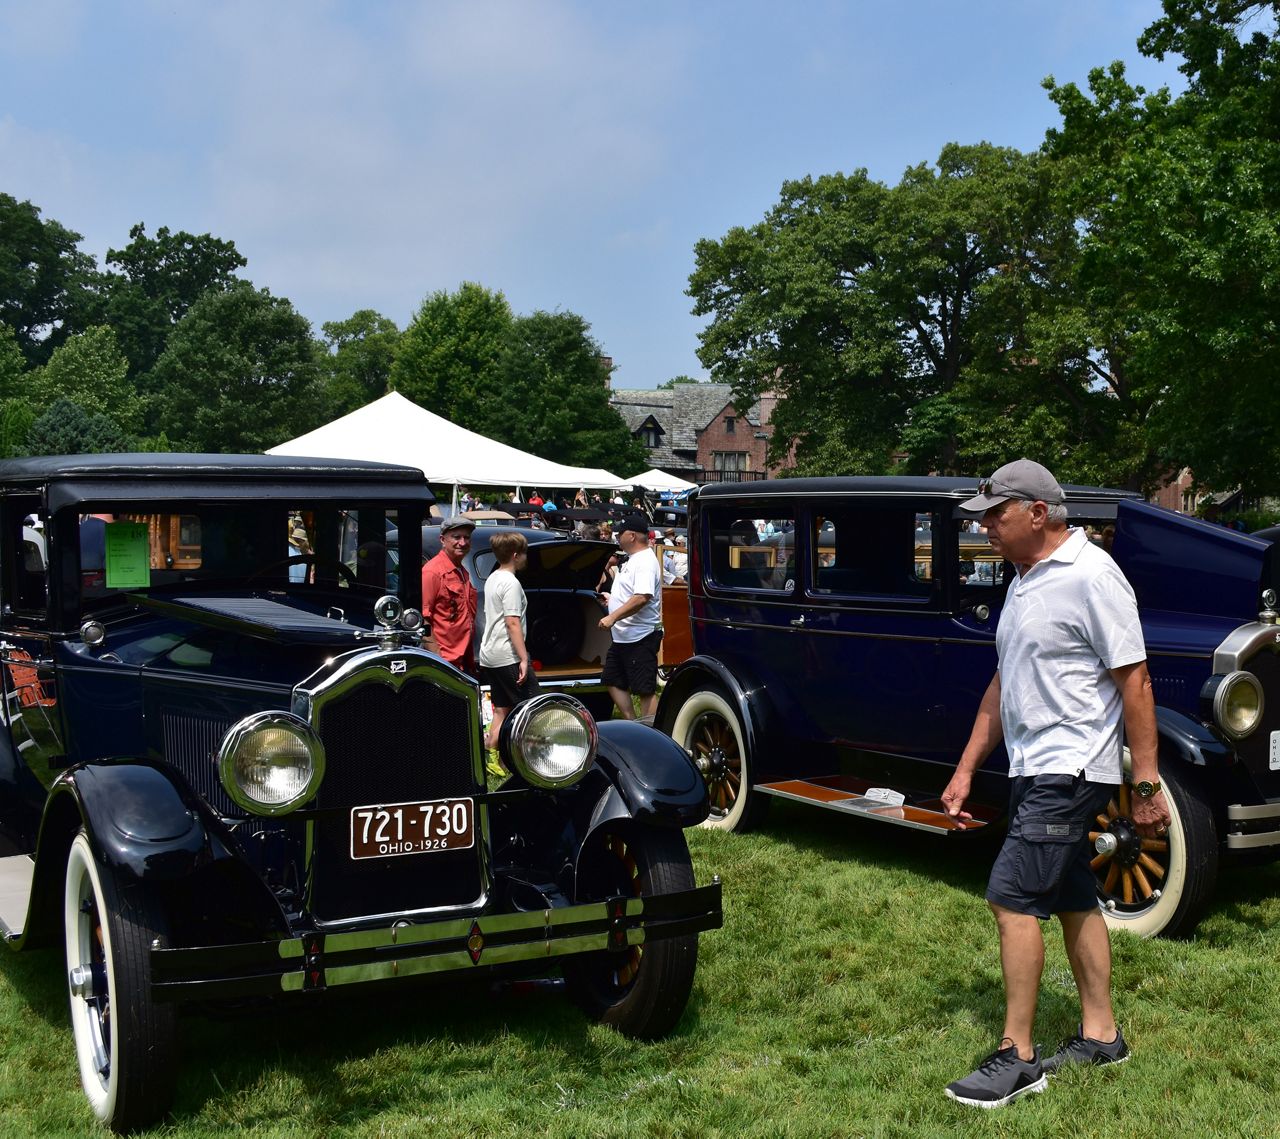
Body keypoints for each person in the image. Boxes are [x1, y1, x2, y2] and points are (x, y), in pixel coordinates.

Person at [940, 459, 1171, 1109]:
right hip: (1031, 766)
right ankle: (1101, 1036)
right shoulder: (1021, 579)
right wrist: (965, 768)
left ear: (1038, 512)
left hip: (1070, 769)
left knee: (1012, 896)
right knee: (1072, 895)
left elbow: (1136, 680)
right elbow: (1002, 681)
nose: (984, 525)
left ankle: (1018, 1056)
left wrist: (1147, 784)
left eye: (995, 512)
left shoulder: (1092, 575)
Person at [598, 515, 662, 721]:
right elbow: (631, 595)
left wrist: (613, 617)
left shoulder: (644, 561)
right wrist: (612, 599)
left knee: (645, 689)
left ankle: (653, 732)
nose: (617, 537)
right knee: (612, 679)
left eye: (620, 533)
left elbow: (642, 597)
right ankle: (633, 723)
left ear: (632, 536)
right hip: (624, 636)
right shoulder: (634, 559)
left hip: (640, 636)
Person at [478, 531, 538, 753]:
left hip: (489, 654)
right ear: (515, 555)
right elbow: (512, 622)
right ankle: (525, 755)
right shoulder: (511, 583)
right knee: (532, 708)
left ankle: (493, 754)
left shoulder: (493, 577)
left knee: (502, 708)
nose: (526, 558)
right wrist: (523, 658)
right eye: (524, 553)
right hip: (507, 655)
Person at [421, 516, 479, 674]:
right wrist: (438, 660)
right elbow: (423, 620)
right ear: (442, 539)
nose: (462, 542)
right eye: (456, 537)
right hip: (445, 662)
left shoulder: (462, 571)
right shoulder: (432, 572)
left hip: (465, 660)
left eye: (466, 537)